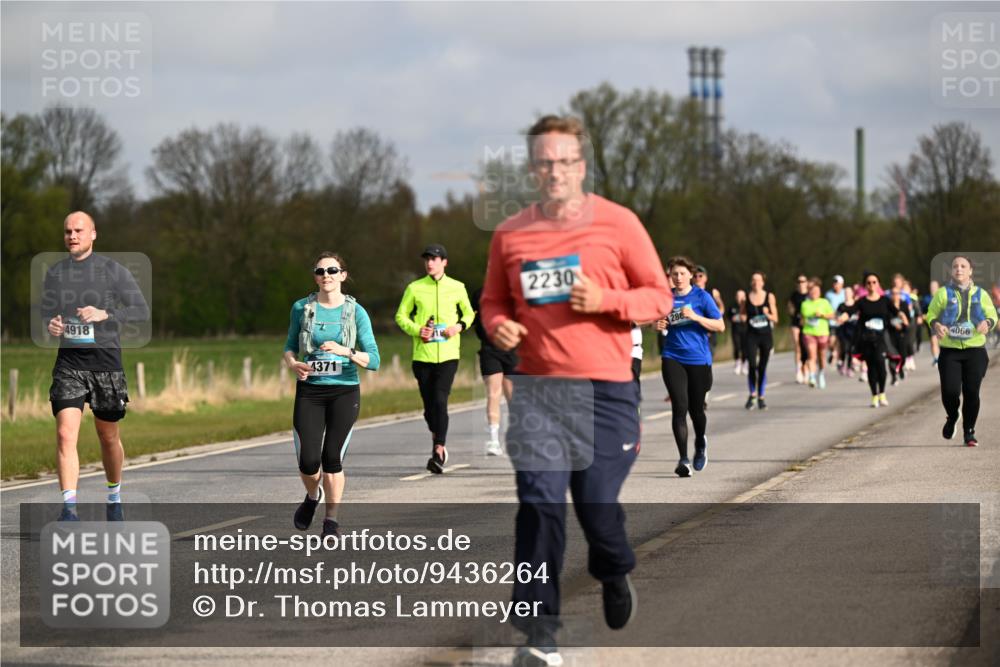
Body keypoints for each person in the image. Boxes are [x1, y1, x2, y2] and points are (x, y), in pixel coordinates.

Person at [479, 114, 671, 667]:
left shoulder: (619, 223)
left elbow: (658, 296)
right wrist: (499, 325)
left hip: (606, 391)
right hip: (539, 392)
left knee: (596, 505)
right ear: (532, 170)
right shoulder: (511, 233)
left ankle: (613, 568)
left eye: (565, 161)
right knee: (539, 502)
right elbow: (493, 300)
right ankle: (539, 634)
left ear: (581, 166)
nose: (555, 171)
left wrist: (607, 301)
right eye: (545, 162)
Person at [42, 211, 150, 521]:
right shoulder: (56, 273)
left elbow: (140, 310)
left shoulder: (113, 271)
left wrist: (106, 314)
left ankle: (114, 498)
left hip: (106, 364)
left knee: (108, 435)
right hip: (69, 364)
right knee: (65, 434)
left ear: (93, 234)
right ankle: (69, 510)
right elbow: (47, 312)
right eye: (68, 231)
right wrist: (52, 324)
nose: (72, 236)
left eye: (78, 230)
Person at [284, 252, 380, 535]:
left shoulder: (356, 311)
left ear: (342, 275)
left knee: (332, 459)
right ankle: (312, 496)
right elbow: (290, 347)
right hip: (310, 392)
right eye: (320, 271)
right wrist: (293, 364)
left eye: (332, 270)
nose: (326, 275)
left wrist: (346, 351)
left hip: (344, 392)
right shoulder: (301, 308)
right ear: (315, 277)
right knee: (308, 462)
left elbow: (374, 360)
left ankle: (331, 520)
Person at [395, 244, 475, 474]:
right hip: (422, 356)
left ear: (444, 262)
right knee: (429, 409)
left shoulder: (457, 287)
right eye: (427, 259)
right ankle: (437, 436)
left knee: (440, 400)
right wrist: (417, 329)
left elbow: (469, 313)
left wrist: (458, 327)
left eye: (434, 259)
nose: (430, 263)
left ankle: (438, 450)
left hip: (448, 355)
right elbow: (401, 316)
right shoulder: (415, 288)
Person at [656, 256, 724, 476]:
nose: (678, 278)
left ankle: (700, 442)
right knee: (679, 407)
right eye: (674, 274)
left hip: (698, 359)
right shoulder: (665, 297)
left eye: (682, 274)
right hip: (672, 356)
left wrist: (695, 317)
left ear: (691, 275)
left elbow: (720, 325)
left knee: (696, 411)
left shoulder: (702, 297)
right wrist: (658, 324)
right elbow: (657, 319)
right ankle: (683, 460)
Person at [925, 255, 998, 447]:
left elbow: (992, 315)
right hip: (950, 351)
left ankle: (969, 432)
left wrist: (987, 322)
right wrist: (936, 325)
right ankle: (952, 415)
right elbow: (930, 314)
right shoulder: (943, 293)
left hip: (975, 350)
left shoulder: (981, 294)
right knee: (950, 392)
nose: (959, 269)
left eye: (963, 266)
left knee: (972, 391)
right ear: (951, 271)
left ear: (970, 271)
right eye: (955, 266)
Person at [842, 272, 906, 408]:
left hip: (881, 338)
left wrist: (902, 315)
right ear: (865, 285)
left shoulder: (884, 300)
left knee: (881, 366)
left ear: (878, 284)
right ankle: (874, 396)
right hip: (866, 339)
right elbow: (851, 310)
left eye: (874, 282)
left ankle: (882, 393)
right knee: (871, 367)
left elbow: (895, 311)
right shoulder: (862, 301)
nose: (871, 284)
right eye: (868, 283)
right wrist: (844, 316)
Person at [471, 286, 517, 457]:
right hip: (489, 350)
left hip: (513, 351)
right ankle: (494, 441)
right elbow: (469, 317)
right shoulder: (480, 293)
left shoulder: (515, 290)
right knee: (493, 393)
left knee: (513, 398)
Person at [741, 271, 778, 410]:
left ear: (763, 282)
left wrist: (768, 315)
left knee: (762, 367)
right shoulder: (746, 297)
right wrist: (742, 317)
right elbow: (743, 315)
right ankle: (752, 395)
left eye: (758, 280)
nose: (756, 282)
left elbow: (776, 318)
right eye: (753, 280)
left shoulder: (769, 296)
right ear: (751, 282)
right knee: (751, 365)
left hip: (765, 336)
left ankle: (761, 397)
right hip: (751, 335)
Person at [800, 278, 836, 388]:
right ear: (809, 292)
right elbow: (804, 316)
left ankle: (821, 373)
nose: (814, 293)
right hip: (809, 332)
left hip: (823, 333)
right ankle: (812, 377)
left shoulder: (824, 302)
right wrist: (810, 316)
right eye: (812, 291)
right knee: (812, 355)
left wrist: (822, 315)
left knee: (821, 356)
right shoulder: (805, 304)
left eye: (816, 291)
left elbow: (832, 315)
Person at [787, 274, 810, 383]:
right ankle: (798, 371)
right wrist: (792, 312)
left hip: (808, 324)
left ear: (807, 283)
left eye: (803, 281)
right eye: (799, 282)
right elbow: (790, 307)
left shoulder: (810, 295)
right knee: (797, 346)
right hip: (796, 323)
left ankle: (806, 369)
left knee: (806, 347)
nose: (801, 284)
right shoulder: (794, 295)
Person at [825, 275, 846, 371]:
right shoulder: (828, 294)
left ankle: (839, 358)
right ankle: (833, 352)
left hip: (843, 321)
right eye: (834, 283)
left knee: (841, 341)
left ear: (841, 284)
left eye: (837, 283)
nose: (835, 285)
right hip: (832, 321)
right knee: (831, 340)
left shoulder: (845, 293)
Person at [728, 290, 748, 375]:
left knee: (745, 347)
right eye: (738, 296)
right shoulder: (732, 306)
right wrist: (732, 318)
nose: (740, 298)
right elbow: (728, 317)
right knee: (737, 346)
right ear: (736, 297)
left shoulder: (747, 306)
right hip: (735, 330)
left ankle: (745, 364)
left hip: (746, 330)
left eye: (742, 296)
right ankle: (737, 363)